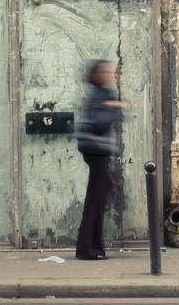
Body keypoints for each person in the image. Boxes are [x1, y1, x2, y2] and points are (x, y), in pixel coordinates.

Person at [75, 59, 124, 261]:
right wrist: (113, 109)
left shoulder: (102, 93)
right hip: (96, 152)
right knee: (96, 201)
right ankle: (89, 249)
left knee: (96, 199)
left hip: (96, 151)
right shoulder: (100, 95)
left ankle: (92, 248)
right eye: (105, 71)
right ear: (97, 75)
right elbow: (97, 123)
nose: (110, 75)